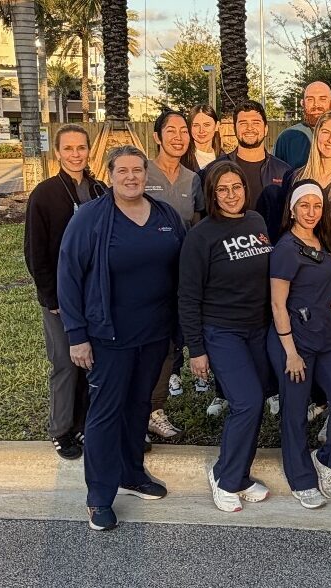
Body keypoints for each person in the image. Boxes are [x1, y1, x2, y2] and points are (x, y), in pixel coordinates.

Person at [58, 145, 186, 531]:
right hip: (108, 336)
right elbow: (69, 276)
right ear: (110, 175)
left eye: (138, 170)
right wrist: (77, 335)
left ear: (147, 175)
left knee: (138, 406)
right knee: (105, 413)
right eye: (123, 171)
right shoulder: (91, 219)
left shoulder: (165, 215)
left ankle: (131, 473)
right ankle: (99, 496)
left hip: (154, 335)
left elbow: (182, 269)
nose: (131, 177)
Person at [178, 160, 274, 512]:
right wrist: (197, 350)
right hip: (221, 331)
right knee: (246, 401)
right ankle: (226, 478)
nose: (231, 195)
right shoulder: (200, 235)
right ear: (212, 194)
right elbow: (188, 297)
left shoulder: (257, 222)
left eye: (236, 188)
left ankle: (240, 473)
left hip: (258, 329)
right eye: (223, 189)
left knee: (256, 401)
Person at [268, 181, 331, 510]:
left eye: (316, 206)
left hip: (328, 337)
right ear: (292, 209)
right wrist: (290, 352)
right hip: (296, 342)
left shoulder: (325, 242)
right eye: (303, 205)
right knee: (294, 413)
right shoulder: (286, 249)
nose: (310, 212)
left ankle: (328, 462)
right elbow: (278, 305)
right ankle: (300, 478)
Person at [202, 100, 291, 417]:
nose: (250, 127)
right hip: (226, 262)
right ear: (234, 128)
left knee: (265, 328)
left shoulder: (283, 171)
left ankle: (270, 389)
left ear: (266, 128)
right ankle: (223, 391)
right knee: (227, 329)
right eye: (243, 122)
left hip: (268, 260)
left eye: (256, 122)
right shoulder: (216, 170)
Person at [24, 124, 107, 460]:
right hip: (61, 297)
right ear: (57, 152)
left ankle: (86, 424)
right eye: (68, 148)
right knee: (65, 361)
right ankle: (61, 428)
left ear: (89, 151)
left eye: (81, 148)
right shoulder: (44, 194)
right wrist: (51, 298)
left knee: (92, 362)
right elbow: (35, 252)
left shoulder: (100, 190)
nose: (75, 154)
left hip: (95, 295)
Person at [145, 109, 205, 440]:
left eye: (184, 131)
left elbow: (195, 226)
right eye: (171, 130)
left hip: (179, 278)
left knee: (170, 344)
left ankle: (154, 410)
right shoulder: (142, 172)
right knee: (143, 344)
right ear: (157, 136)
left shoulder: (192, 179)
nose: (179, 137)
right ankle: (133, 408)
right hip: (144, 277)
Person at [264, 111, 331, 242]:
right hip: (302, 258)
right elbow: (284, 225)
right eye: (326, 132)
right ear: (316, 136)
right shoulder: (294, 177)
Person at [274, 81, 331, 169]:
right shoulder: (288, 138)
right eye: (310, 99)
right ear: (303, 103)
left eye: (322, 99)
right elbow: (276, 175)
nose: (316, 104)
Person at [183, 104, 223, 172]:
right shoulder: (181, 158)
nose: (201, 130)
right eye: (196, 125)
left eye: (206, 125)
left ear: (217, 126)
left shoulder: (225, 159)